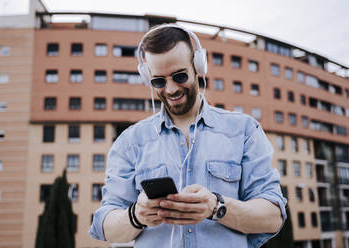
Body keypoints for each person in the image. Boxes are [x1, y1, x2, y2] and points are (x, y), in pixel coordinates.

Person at [89, 23, 287, 248]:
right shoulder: (129, 142)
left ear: (198, 66)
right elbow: (104, 226)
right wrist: (136, 216)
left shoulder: (244, 131)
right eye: (159, 81)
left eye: (179, 76)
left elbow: (273, 217)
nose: (171, 89)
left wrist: (217, 207)